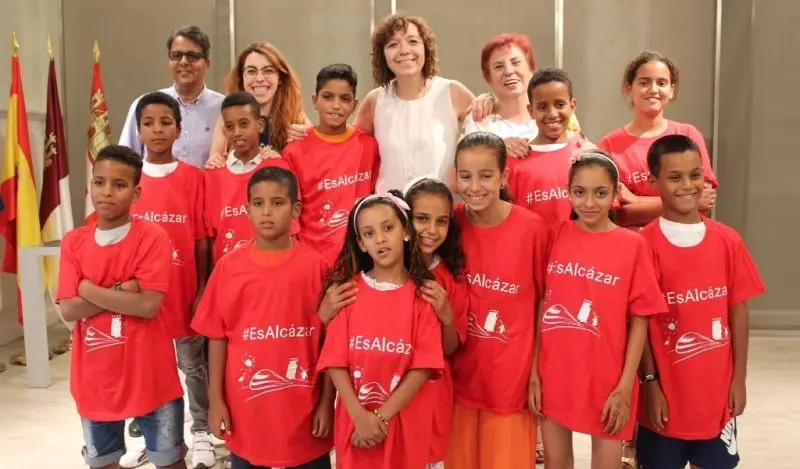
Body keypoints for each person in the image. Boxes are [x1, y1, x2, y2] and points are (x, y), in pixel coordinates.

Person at [530, 148, 667, 469]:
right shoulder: (554, 236)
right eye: (580, 192)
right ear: (568, 192)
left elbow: (640, 320)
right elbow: (542, 304)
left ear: (615, 194)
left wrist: (625, 386)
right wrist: (534, 372)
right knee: (555, 462)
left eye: (600, 193)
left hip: (608, 377)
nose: (589, 202)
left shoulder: (633, 245)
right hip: (555, 373)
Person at [637, 135, 766, 469]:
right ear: (653, 182)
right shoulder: (643, 245)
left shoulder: (727, 241)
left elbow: (738, 311)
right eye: (675, 176)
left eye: (695, 175)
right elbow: (640, 321)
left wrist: (739, 379)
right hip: (664, 400)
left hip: (716, 399)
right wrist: (650, 384)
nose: (687, 185)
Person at [192, 167, 334, 469]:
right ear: (247, 210)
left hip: (305, 414)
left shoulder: (317, 267)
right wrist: (215, 400)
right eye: (258, 203)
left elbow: (330, 344)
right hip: (247, 414)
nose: (266, 212)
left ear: (296, 209)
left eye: (277, 203)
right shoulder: (229, 268)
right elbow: (217, 338)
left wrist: (326, 403)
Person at [56, 145, 186, 469]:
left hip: (151, 376)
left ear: (136, 192)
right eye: (99, 182)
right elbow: (69, 309)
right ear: (90, 186)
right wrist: (122, 289)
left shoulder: (152, 237)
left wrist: (88, 289)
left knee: (170, 460)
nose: (107, 192)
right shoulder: (74, 242)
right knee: (103, 462)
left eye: (119, 184)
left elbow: (148, 305)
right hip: (95, 380)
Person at [317, 189, 445, 469]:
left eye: (388, 228)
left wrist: (380, 418)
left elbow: (423, 368)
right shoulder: (348, 292)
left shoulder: (422, 296)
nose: (380, 239)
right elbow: (335, 363)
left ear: (406, 232)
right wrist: (360, 418)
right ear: (361, 244)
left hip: (404, 425)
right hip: (356, 426)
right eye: (369, 233)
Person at [447, 132, 548, 469]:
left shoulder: (532, 229)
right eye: (465, 176)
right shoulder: (450, 225)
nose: (474, 186)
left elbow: (543, 303)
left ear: (504, 176)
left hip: (510, 384)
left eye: (486, 175)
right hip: (458, 382)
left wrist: (536, 370)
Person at [288, 14, 476, 191]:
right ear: (383, 55)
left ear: (426, 48)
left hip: (442, 209)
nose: (404, 50)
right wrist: (310, 135)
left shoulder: (451, 91)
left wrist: (487, 99)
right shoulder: (375, 100)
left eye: (413, 41)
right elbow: (345, 143)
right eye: (393, 44)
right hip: (389, 210)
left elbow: (485, 135)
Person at [128, 92, 215, 469]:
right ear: (139, 130)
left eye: (166, 122)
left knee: (193, 365)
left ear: (179, 129)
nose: (157, 130)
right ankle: (153, 437)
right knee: (147, 368)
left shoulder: (194, 179)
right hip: (142, 298)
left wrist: (202, 288)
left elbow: (201, 239)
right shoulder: (130, 180)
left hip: (183, 293)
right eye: (149, 123)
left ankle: (202, 430)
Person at [598, 50, 718, 230]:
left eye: (661, 83)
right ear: (629, 88)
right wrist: (680, 201)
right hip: (632, 243)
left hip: (683, 240)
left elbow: (703, 202)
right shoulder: (609, 145)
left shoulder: (688, 135)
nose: (653, 89)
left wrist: (637, 200)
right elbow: (616, 214)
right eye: (644, 82)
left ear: (672, 90)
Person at [402, 176, 469, 468]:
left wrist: (446, 316)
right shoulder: (383, 270)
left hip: (432, 395)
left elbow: (449, 349)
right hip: (384, 391)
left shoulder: (451, 278)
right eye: (422, 219)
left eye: (441, 221)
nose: (432, 230)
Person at [283, 64, 379, 263]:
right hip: (314, 260)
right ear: (315, 101)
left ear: (354, 104)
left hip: (362, 258)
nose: (336, 105)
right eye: (328, 97)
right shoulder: (295, 151)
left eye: (345, 99)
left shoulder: (369, 147)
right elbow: (290, 214)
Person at [205, 91, 296, 265]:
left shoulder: (278, 168)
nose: (237, 132)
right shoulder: (213, 174)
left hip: (271, 267)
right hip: (228, 271)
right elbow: (210, 235)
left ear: (260, 125)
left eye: (244, 124)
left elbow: (292, 229)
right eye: (229, 126)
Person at [119, 26, 224, 169]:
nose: (184, 62)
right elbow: (125, 160)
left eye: (192, 56)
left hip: (204, 183)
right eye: (177, 55)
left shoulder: (223, 109)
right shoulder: (146, 105)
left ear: (207, 64)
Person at [464, 34, 581, 160]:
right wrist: (497, 149)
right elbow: (468, 164)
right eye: (498, 66)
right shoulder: (479, 119)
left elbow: (580, 149)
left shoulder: (557, 112)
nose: (509, 71)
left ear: (531, 68)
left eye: (516, 62)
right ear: (488, 77)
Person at [507, 68, 588, 225]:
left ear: (572, 106)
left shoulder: (586, 155)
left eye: (560, 104)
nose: (552, 114)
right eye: (543, 107)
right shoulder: (514, 161)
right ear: (531, 111)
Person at [207, 42, 309, 163]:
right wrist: (215, 162)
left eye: (268, 71)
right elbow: (214, 164)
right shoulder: (226, 118)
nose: (259, 79)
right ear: (241, 78)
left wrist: (282, 160)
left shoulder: (297, 119)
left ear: (280, 78)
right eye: (251, 71)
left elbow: (311, 170)